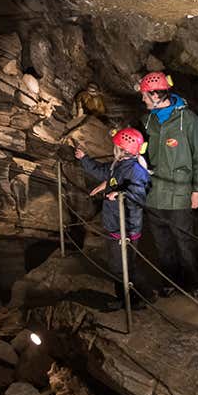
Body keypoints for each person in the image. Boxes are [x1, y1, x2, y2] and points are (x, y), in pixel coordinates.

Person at [138, 71, 198, 295]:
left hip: (179, 192)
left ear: (157, 95)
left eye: (145, 95)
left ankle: (193, 283)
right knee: (162, 242)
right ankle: (170, 281)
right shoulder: (146, 120)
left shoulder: (188, 120)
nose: (142, 100)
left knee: (184, 241)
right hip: (154, 193)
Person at [74, 128, 151, 309]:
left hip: (126, 226)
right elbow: (102, 172)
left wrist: (120, 193)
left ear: (123, 149)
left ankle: (137, 298)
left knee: (124, 266)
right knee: (119, 265)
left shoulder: (136, 170)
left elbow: (140, 193)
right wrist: (84, 158)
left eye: (116, 146)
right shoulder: (120, 164)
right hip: (115, 222)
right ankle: (126, 299)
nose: (113, 148)